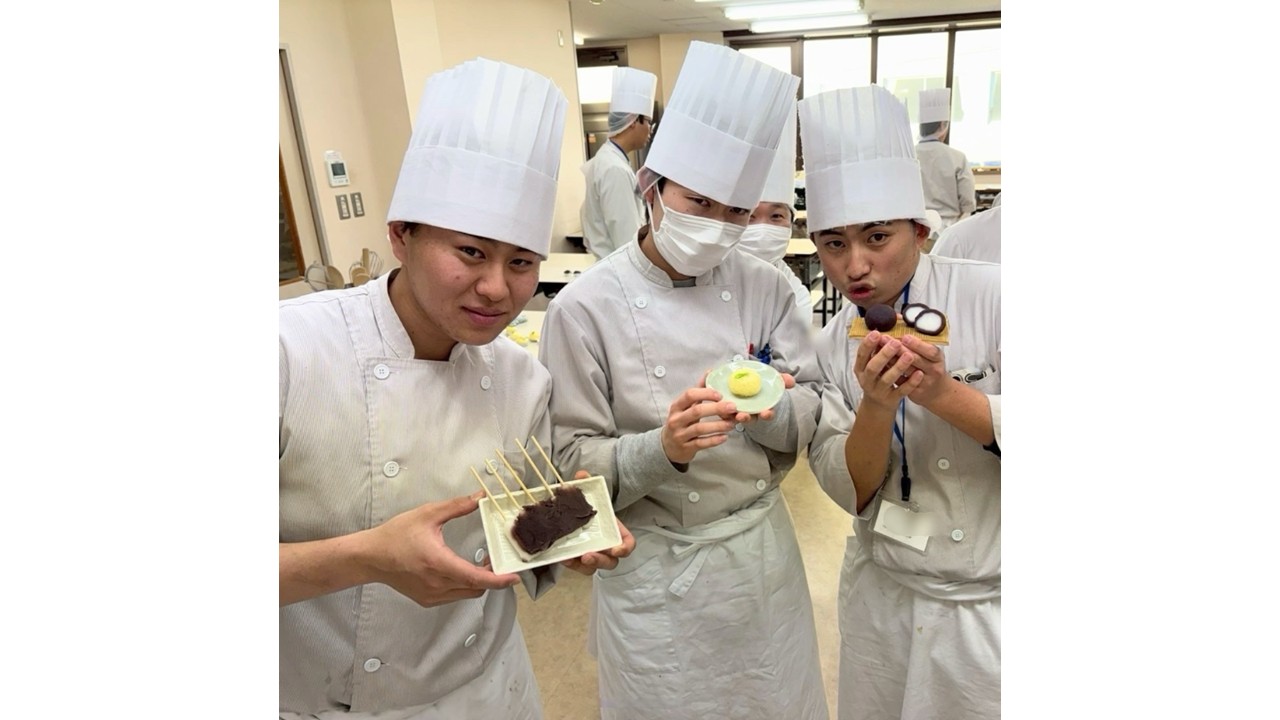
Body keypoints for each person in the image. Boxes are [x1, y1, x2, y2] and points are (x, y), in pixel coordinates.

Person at [279, 58, 634, 720]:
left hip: (489, 693)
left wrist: (569, 546)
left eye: (521, 262)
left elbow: (512, 536)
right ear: (400, 235)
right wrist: (365, 558)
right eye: (471, 252)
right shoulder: (288, 352)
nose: (498, 287)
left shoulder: (522, 379)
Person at [538, 42, 829, 720]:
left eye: (737, 211)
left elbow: (813, 405)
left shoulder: (768, 286)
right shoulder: (584, 309)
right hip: (657, 575)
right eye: (700, 202)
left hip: (761, 559)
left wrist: (773, 406)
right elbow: (565, 466)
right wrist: (663, 447)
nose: (719, 226)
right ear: (651, 187)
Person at [801, 84, 1001, 720]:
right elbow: (848, 490)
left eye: (877, 237)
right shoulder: (832, 343)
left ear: (920, 229)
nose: (855, 266)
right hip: (884, 600)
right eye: (833, 244)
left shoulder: (994, 296)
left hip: (992, 608)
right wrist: (877, 407)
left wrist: (943, 393)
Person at [738, 100, 813, 312]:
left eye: (776, 216)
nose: (762, 229)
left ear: (791, 221)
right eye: (750, 216)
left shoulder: (797, 298)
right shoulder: (704, 286)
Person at [580, 66, 658, 259]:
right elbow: (627, 240)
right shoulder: (614, 169)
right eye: (648, 121)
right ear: (633, 121)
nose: (650, 129)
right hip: (618, 267)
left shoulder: (609, 160)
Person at [915, 88, 977, 232]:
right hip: (950, 231)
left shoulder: (907, 156)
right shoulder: (957, 158)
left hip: (917, 232)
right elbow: (968, 205)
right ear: (943, 125)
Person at [931, 200, 1002, 263]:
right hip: (950, 223)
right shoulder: (958, 236)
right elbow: (968, 201)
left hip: (930, 225)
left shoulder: (957, 235)